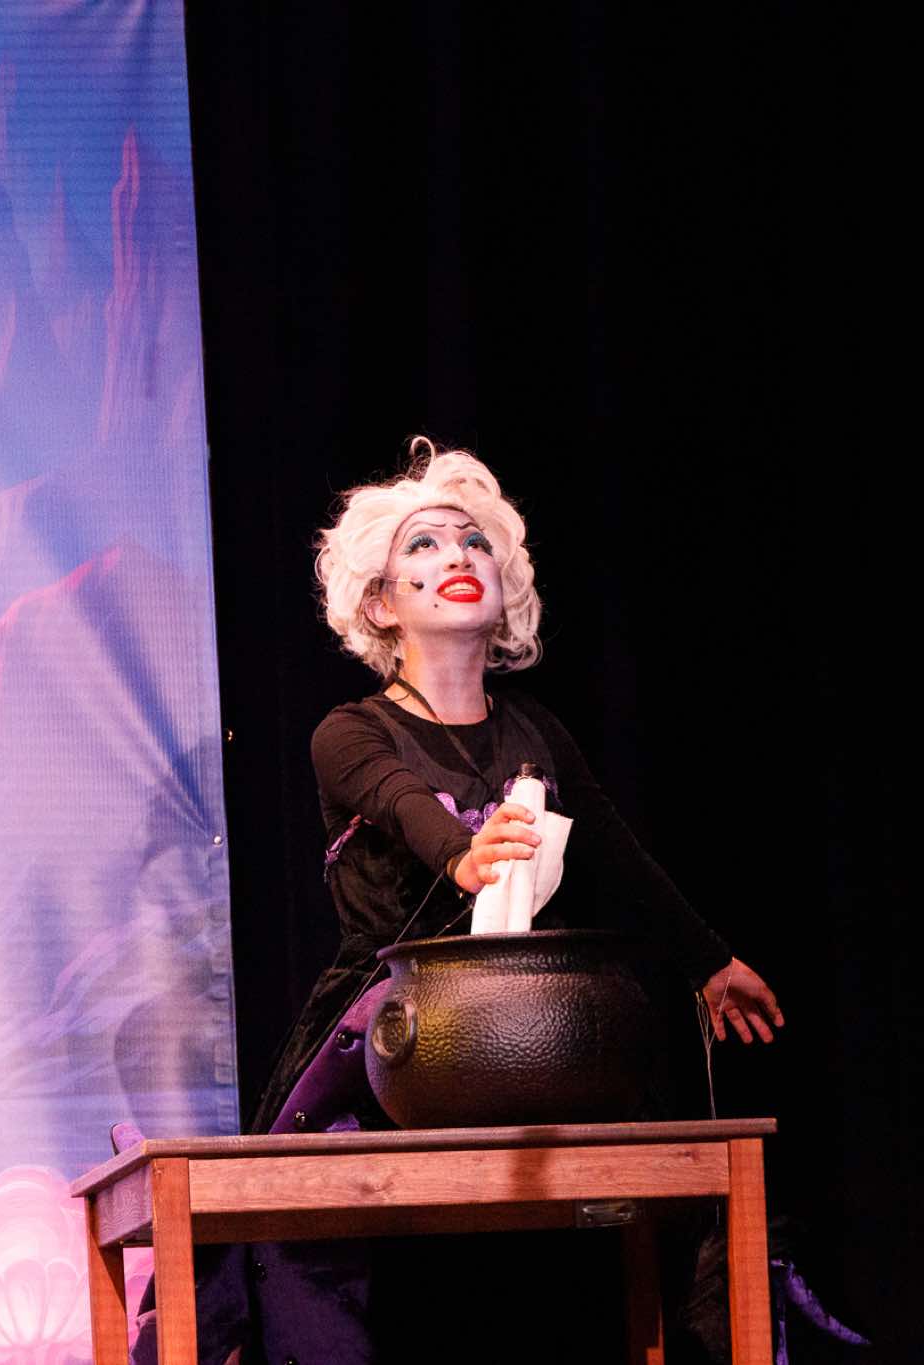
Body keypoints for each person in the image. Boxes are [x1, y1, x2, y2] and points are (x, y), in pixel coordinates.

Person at [135, 438, 782, 1365]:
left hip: (521, 1038)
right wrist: (463, 854)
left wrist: (711, 963)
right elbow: (405, 804)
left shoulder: (536, 732)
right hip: (390, 1040)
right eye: (425, 545)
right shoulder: (349, 732)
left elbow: (621, 861)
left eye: (474, 541)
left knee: (568, 1275)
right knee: (364, 1288)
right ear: (380, 602)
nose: (457, 557)